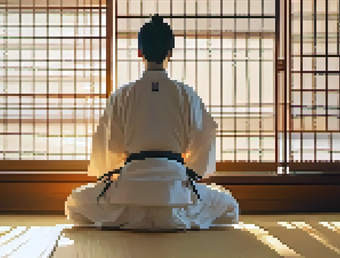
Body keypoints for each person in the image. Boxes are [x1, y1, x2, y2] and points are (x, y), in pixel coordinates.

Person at [65, 15, 239, 231]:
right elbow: (205, 135)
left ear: (140, 52)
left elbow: (110, 146)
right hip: (176, 202)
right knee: (230, 206)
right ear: (170, 53)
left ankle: (127, 221)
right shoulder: (185, 94)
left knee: (74, 203)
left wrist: (112, 172)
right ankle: (180, 219)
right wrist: (192, 171)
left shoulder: (122, 95)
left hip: (128, 202)